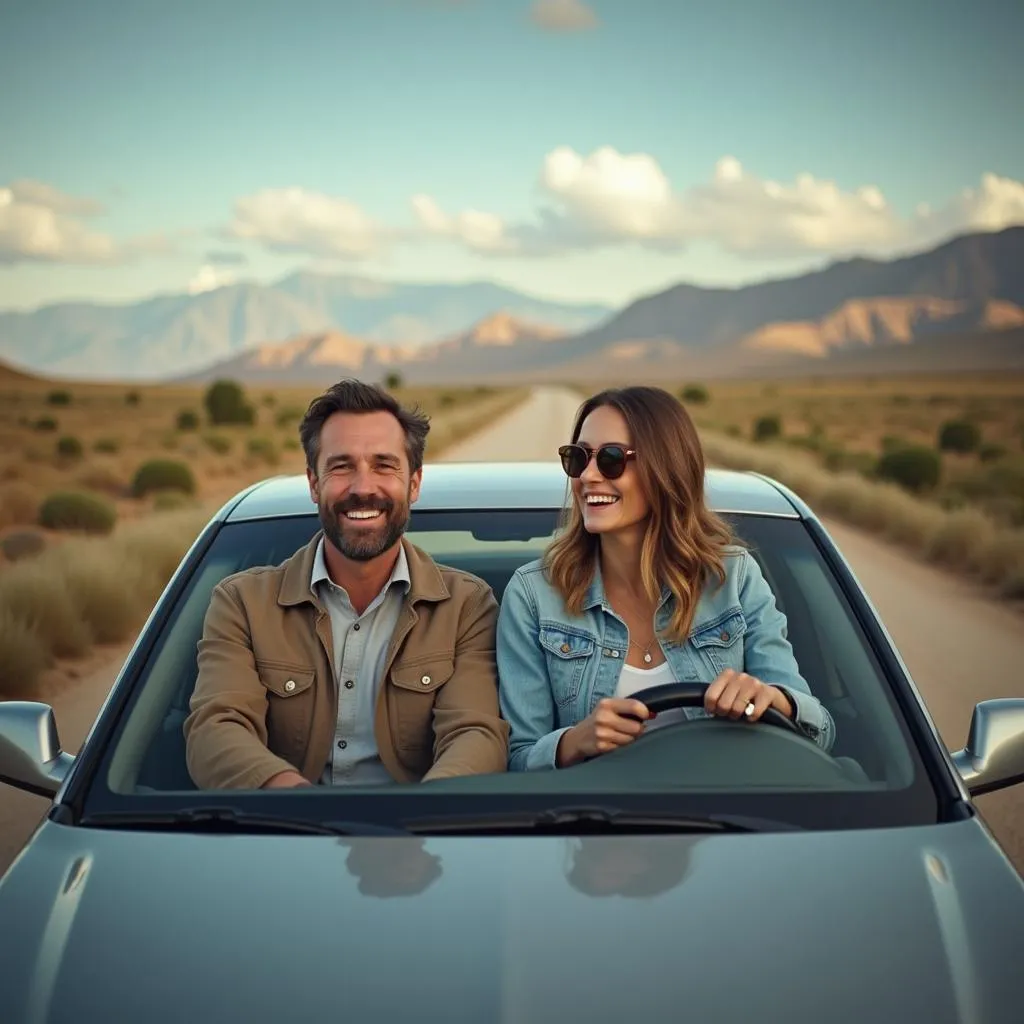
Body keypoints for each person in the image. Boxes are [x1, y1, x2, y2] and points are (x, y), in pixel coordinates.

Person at [184, 378, 509, 790]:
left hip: (419, 841)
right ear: (314, 483)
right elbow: (215, 728)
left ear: (414, 483)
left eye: (384, 465)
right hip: (280, 837)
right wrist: (304, 810)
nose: (362, 488)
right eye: (341, 466)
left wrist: (417, 824)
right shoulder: (242, 603)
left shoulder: (468, 606)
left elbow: (475, 734)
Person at [496, 385, 835, 772]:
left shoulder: (734, 578)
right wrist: (574, 741)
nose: (587, 476)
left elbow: (818, 731)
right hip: (590, 823)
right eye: (578, 458)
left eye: (610, 459)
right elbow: (518, 758)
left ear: (664, 467)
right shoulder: (534, 594)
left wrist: (772, 699)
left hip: (731, 821)